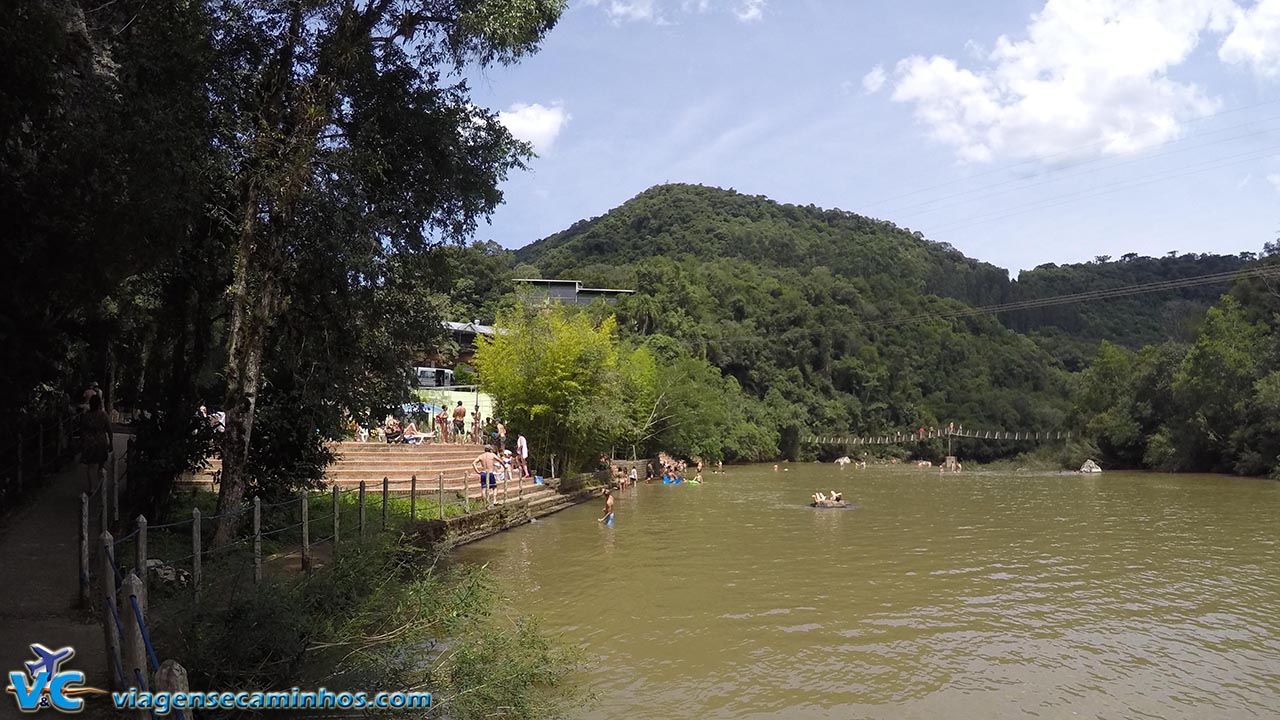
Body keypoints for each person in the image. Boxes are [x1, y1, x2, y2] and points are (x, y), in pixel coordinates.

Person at [80, 395, 112, 494]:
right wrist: (111, 442)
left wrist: (82, 442)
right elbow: (109, 430)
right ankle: (100, 485)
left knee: (90, 466)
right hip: (101, 441)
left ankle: (92, 487)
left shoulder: (86, 416)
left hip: (89, 442)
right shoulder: (103, 415)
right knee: (101, 465)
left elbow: (82, 430)